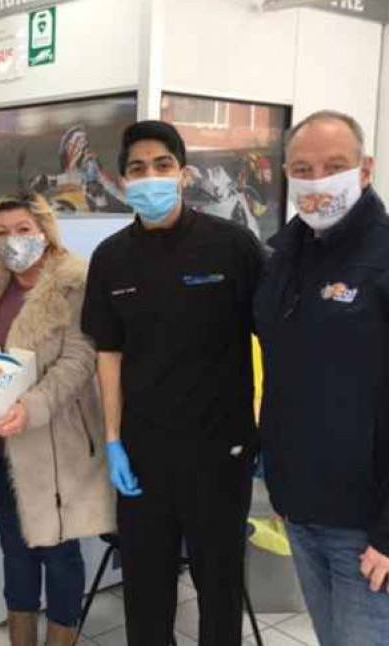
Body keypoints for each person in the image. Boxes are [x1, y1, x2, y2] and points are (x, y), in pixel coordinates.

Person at [254, 110, 389, 646]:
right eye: (303, 168)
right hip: (302, 513)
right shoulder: (282, 259)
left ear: (366, 170)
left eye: (335, 165)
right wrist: (281, 488)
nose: (318, 180)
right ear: (287, 174)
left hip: (374, 527)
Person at [81, 121, 264, 646]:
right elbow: (108, 354)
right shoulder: (111, 257)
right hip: (143, 453)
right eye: (137, 169)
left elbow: (275, 338)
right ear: (122, 180)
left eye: (162, 165)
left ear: (183, 174)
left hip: (220, 449)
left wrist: (268, 427)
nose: (151, 177)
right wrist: (114, 440)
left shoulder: (233, 247)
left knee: (220, 588)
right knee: (146, 593)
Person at [0, 193, 115, 646]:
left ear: (45, 232)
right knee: (16, 551)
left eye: (24, 229)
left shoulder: (75, 283)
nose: (13, 241)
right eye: (3, 232)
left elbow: (80, 358)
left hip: (55, 443)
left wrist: (32, 406)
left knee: (59, 552)